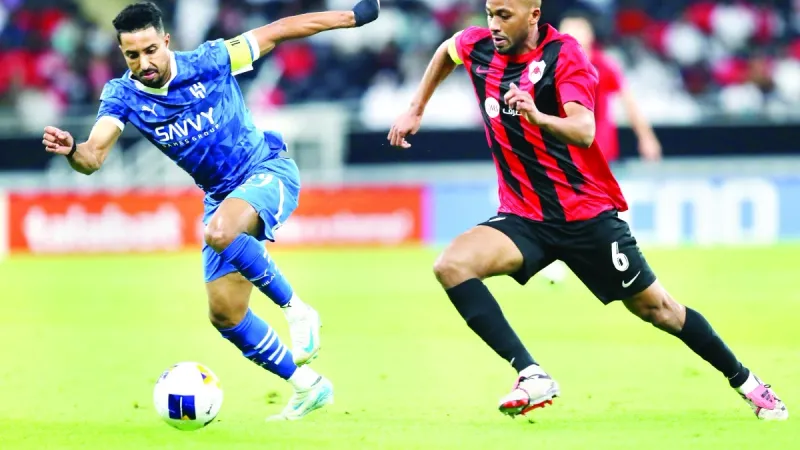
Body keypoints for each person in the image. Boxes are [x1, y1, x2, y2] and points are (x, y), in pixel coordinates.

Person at [388, 0, 787, 421]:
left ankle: (749, 383)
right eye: (489, 13)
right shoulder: (478, 45)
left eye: (504, 15)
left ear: (533, 15)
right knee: (452, 265)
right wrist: (417, 107)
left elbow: (584, 130)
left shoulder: (565, 55)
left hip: (585, 216)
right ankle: (531, 374)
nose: (493, 24)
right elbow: (447, 49)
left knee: (659, 310)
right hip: (524, 217)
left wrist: (538, 116)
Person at [41, 0, 380, 421]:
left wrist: (352, 16)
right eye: (132, 55)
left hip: (266, 170)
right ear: (122, 53)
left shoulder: (211, 59)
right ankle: (308, 386)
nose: (143, 62)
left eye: (150, 50)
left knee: (219, 232)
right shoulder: (123, 95)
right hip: (220, 197)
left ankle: (298, 310)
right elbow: (92, 158)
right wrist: (73, 149)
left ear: (166, 41)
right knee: (225, 313)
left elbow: (279, 30)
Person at [539, 9, 662, 284]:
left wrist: (646, 136)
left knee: (595, 207)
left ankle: (612, 255)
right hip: (562, 150)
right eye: (567, 32)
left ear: (590, 36)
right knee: (567, 205)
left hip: (598, 150)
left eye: (578, 32)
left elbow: (627, 99)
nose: (573, 38)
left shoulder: (601, 65)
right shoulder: (550, 64)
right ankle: (569, 257)